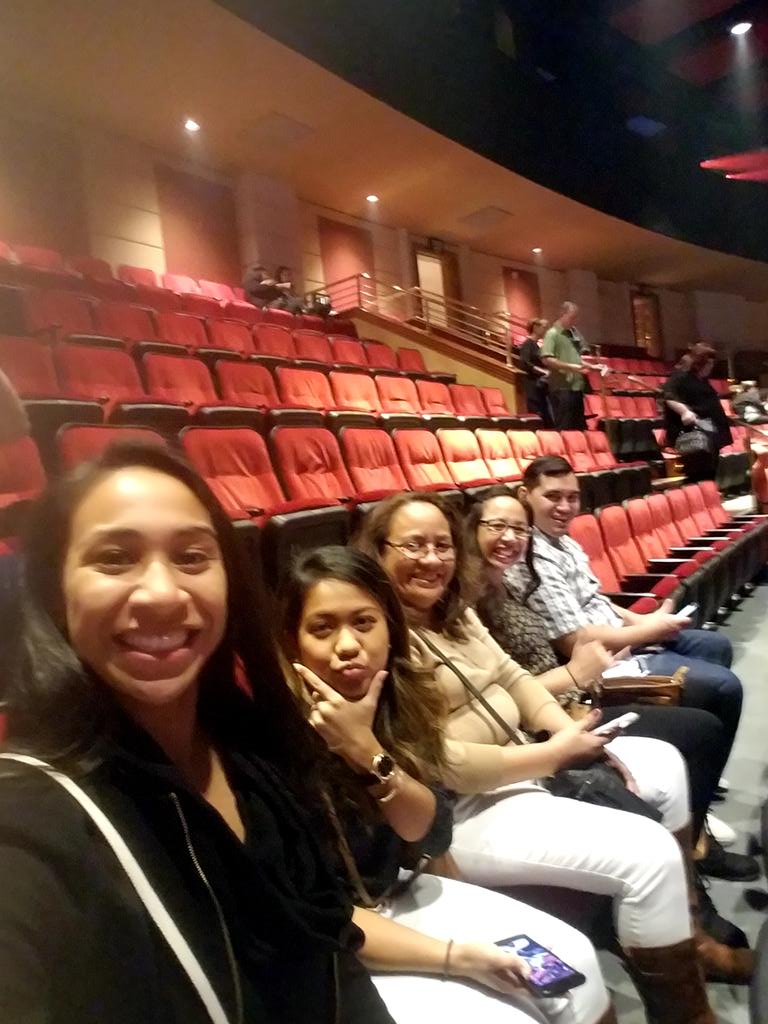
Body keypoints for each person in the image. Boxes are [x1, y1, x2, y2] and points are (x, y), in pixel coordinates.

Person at [0, 442, 400, 1024]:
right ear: (54, 592)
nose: (162, 594)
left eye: (192, 557)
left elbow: (330, 950)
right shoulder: (30, 816)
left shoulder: (251, 747)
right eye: (114, 558)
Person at [357, 492, 750, 1017]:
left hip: (521, 766)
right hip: (459, 810)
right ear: (378, 552)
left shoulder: (455, 613)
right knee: (650, 856)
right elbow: (440, 761)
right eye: (413, 546)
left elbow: (514, 677)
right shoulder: (378, 633)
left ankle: (688, 936)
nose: (432, 559)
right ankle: (686, 1010)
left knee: (665, 764)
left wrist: (573, 736)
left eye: (442, 545)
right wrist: (555, 755)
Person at [280, 546, 614, 1024]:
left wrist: (366, 750)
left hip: (399, 892)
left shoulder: (399, 699)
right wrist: (457, 957)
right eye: (322, 628)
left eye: (364, 622)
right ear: (292, 643)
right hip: (340, 942)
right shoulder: (276, 739)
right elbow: (318, 913)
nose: (348, 644)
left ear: (390, 630)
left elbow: (428, 831)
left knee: (577, 960)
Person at [465, 485, 753, 948]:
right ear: (470, 530)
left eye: (518, 528)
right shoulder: (469, 603)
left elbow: (520, 676)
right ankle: (689, 903)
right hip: (556, 711)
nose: (510, 537)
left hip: (574, 701)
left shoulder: (504, 585)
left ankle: (694, 860)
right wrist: (574, 678)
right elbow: (508, 690)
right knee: (702, 725)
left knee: (705, 717)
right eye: (497, 526)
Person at [663, 343, 732, 482]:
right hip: (695, 430)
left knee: (711, 468)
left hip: (710, 430)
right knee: (699, 469)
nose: (711, 367)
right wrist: (684, 411)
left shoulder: (703, 380)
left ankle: (709, 489)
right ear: (698, 363)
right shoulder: (681, 376)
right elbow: (669, 396)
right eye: (708, 364)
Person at [541, 303, 589, 431]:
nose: (575, 321)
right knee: (565, 428)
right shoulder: (552, 334)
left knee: (579, 429)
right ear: (562, 314)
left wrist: (593, 367)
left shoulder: (570, 334)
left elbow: (576, 360)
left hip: (576, 387)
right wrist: (571, 367)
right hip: (562, 388)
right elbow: (546, 359)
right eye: (572, 317)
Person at [517, 319, 553, 427]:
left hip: (540, 386)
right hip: (532, 385)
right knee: (537, 415)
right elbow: (526, 363)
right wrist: (544, 372)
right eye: (544, 327)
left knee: (545, 415)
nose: (546, 330)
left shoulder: (536, 345)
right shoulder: (527, 344)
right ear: (536, 328)